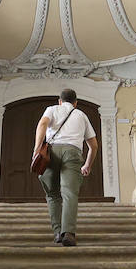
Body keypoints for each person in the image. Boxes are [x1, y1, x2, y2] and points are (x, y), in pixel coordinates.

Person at [33, 88, 98, 247]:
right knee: (69, 193)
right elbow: (94, 146)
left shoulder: (52, 109)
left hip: (51, 152)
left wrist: (36, 149)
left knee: (53, 194)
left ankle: (57, 232)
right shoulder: (81, 115)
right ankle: (68, 233)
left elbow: (42, 124)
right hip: (73, 153)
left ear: (60, 101)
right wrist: (87, 165)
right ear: (75, 103)